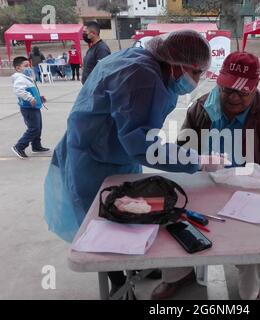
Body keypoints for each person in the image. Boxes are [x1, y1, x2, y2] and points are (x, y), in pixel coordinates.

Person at [44, 30, 214, 298]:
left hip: (114, 150)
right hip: (94, 159)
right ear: (178, 63)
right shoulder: (143, 78)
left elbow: (137, 131)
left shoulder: (146, 62)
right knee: (105, 225)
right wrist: (197, 161)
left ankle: (136, 268)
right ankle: (118, 281)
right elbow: (143, 146)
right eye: (196, 73)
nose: (197, 80)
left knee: (131, 215)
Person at [151, 52, 260, 300]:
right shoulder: (202, 107)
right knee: (172, 219)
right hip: (205, 184)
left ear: (256, 86)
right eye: (228, 90)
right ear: (219, 82)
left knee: (256, 241)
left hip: (251, 190)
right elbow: (183, 151)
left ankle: (250, 292)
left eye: (242, 92)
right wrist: (195, 165)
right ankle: (177, 274)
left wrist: (257, 189)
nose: (233, 98)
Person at [11, 56, 50, 159]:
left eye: (29, 65)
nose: (29, 68)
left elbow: (31, 91)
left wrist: (39, 98)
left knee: (38, 127)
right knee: (34, 128)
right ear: (18, 68)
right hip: (28, 108)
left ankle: (36, 146)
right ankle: (19, 146)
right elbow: (19, 91)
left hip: (34, 107)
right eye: (26, 66)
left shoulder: (26, 78)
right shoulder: (19, 78)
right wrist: (30, 98)